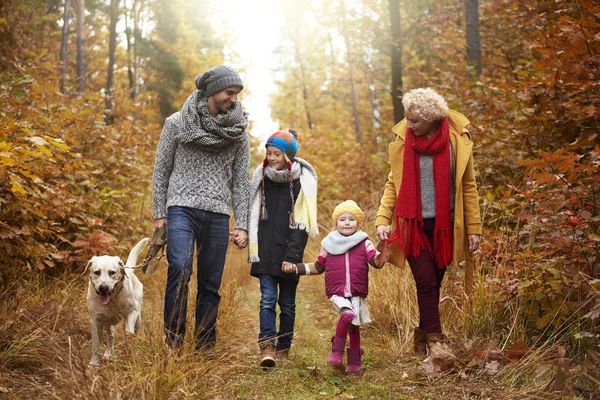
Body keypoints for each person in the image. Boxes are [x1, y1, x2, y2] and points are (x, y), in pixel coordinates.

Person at [375, 87, 481, 358]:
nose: (409, 125)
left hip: (446, 228)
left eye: (415, 121)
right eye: (408, 119)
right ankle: (436, 342)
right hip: (412, 227)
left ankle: (421, 336)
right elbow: (392, 183)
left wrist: (474, 229)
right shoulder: (404, 141)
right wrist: (382, 218)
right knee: (425, 282)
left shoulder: (456, 140)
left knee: (435, 281)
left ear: (433, 118)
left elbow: (468, 187)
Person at [152, 65, 250, 351]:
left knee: (210, 282)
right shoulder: (177, 123)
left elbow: (241, 182)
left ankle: (205, 345)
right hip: (180, 208)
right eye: (229, 92)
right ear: (212, 91)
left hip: (218, 214)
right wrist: (159, 212)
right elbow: (162, 169)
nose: (234, 99)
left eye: (237, 94)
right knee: (180, 269)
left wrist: (241, 222)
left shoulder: (238, 132)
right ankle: (174, 342)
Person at [283, 200, 383, 375]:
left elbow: (375, 262)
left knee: (354, 326)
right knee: (348, 314)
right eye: (342, 219)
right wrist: (296, 268)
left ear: (358, 222)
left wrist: (385, 252)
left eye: (351, 219)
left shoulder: (364, 242)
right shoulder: (328, 244)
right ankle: (336, 351)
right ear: (336, 223)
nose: (346, 222)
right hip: (336, 291)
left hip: (356, 290)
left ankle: (354, 363)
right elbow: (318, 267)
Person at [248, 129, 318, 368]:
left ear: (288, 156)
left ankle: (283, 347)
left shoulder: (300, 183)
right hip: (265, 252)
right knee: (267, 299)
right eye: (269, 153)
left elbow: (302, 225)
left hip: (289, 255)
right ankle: (267, 346)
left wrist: (293, 257)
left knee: (287, 304)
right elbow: (252, 214)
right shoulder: (261, 179)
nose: (272, 157)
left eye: (277, 153)